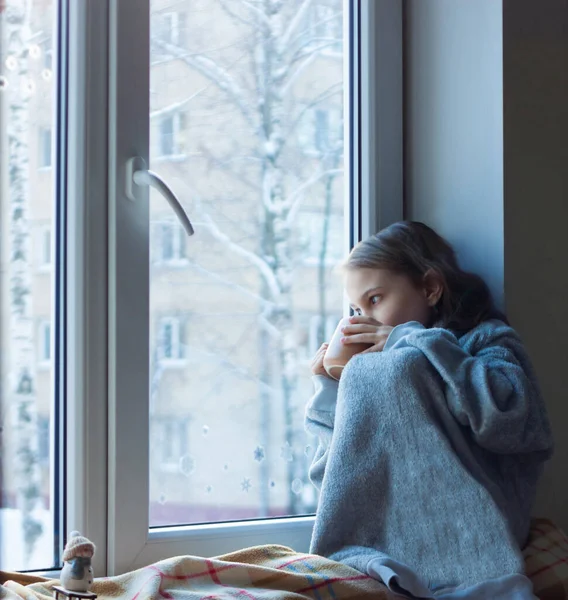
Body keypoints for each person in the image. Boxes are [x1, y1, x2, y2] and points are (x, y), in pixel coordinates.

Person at [305, 221, 554, 600]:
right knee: (381, 370)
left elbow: (513, 420)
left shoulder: (485, 340)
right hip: (394, 530)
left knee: (400, 365)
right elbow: (334, 477)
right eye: (356, 308)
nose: (364, 318)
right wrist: (335, 386)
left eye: (375, 300)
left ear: (430, 287)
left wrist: (411, 344)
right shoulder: (378, 376)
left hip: (481, 525)